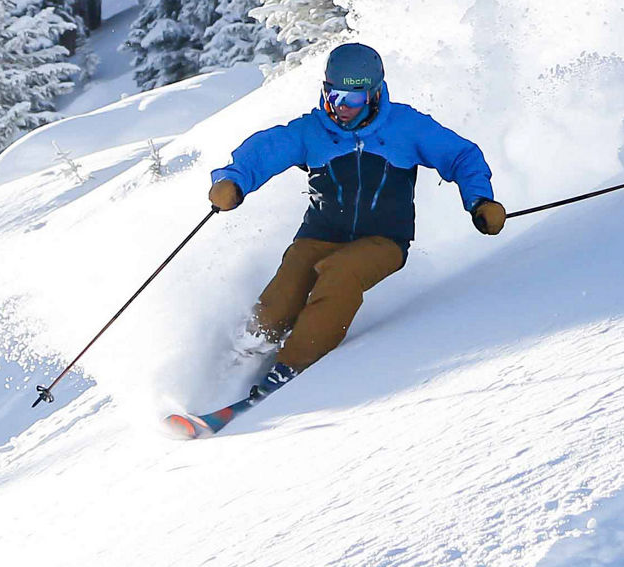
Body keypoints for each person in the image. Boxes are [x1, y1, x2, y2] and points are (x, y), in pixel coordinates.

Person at [167, 43, 502, 439]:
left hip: (383, 240)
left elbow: (461, 155)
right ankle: (246, 349)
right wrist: (233, 180)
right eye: (334, 95)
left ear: (375, 94)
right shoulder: (314, 131)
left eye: (353, 98)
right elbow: (266, 149)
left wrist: (479, 200)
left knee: (340, 274)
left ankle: (292, 365)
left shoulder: (406, 127)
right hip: (320, 234)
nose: (341, 107)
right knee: (288, 287)